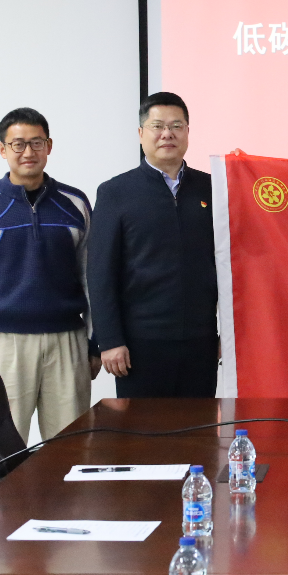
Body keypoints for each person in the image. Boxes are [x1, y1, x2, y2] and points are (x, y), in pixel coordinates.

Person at [0, 108, 98, 442]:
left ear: (49, 146)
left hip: (67, 342)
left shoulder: (75, 203)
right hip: (3, 347)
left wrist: (93, 342)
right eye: (18, 144)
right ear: (2, 149)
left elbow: (93, 279)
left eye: (36, 142)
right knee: (4, 450)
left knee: (71, 447)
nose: (28, 152)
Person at [87, 92, 219, 398]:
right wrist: (110, 340)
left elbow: (227, 265)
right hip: (139, 344)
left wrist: (226, 333)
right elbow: (100, 273)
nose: (167, 134)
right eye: (157, 126)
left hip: (200, 340)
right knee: (141, 426)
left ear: (188, 132)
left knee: (198, 425)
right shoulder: (116, 192)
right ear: (140, 133)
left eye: (176, 126)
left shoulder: (211, 189)